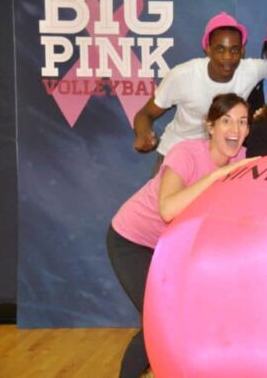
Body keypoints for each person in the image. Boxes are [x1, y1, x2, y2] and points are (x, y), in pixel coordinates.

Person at [108, 93, 255, 378]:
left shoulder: (242, 160)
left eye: (242, 122)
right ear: (210, 126)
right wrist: (215, 176)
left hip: (174, 250)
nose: (235, 130)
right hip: (132, 240)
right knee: (158, 322)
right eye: (226, 121)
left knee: (192, 319)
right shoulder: (186, 153)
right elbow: (168, 208)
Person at [133, 12, 267, 174]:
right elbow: (145, 114)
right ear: (207, 48)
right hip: (176, 153)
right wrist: (143, 134)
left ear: (242, 51)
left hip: (219, 156)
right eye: (220, 49)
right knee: (162, 216)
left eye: (234, 50)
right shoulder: (182, 75)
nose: (228, 57)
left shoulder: (252, 69)